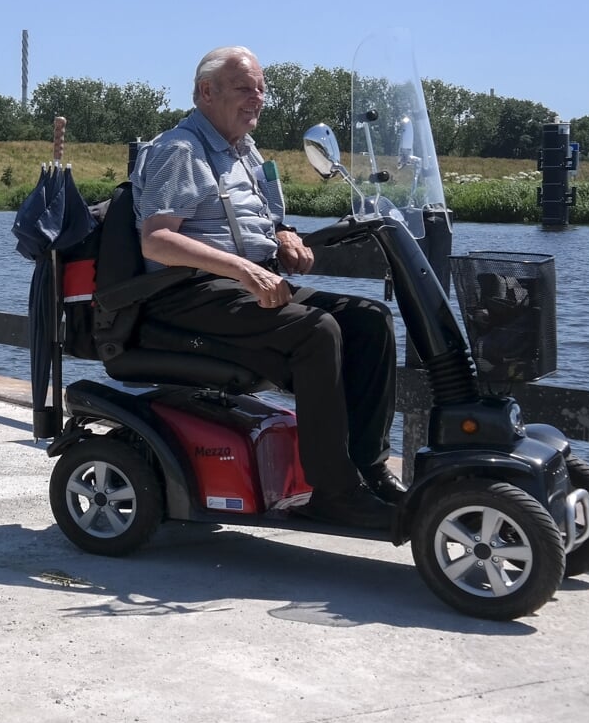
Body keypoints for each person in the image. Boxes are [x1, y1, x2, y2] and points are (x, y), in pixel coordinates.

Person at [131, 45, 403, 529]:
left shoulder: (243, 151)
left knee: (370, 320)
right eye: (244, 88)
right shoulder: (181, 149)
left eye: (261, 89)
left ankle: (368, 466)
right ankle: (333, 492)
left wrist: (284, 236)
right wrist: (243, 270)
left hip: (241, 284)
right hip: (187, 292)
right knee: (316, 331)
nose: (257, 98)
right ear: (206, 92)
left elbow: (264, 220)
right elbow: (156, 239)